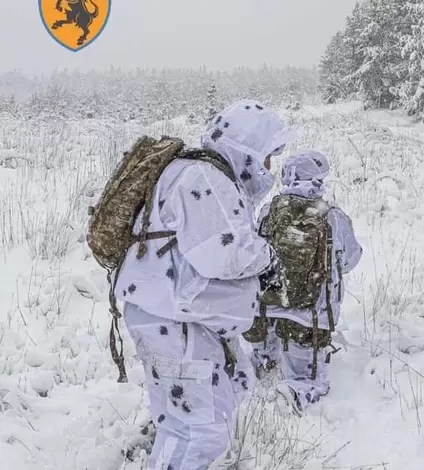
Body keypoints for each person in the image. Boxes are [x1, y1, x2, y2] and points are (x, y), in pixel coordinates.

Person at [114, 99, 296, 469]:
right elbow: (226, 253)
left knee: (182, 427)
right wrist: (269, 258)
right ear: (245, 147)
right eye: (265, 157)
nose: (268, 169)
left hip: (171, 319)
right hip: (177, 324)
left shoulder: (191, 171)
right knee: (203, 433)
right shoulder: (205, 178)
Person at [247, 149, 362, 413]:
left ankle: (256, 386)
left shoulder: (269, 211)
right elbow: (351, 259)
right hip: (311, 315)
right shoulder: (332, 216)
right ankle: (290, 403)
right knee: (309, 380)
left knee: (263, 365)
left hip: (267, 309)